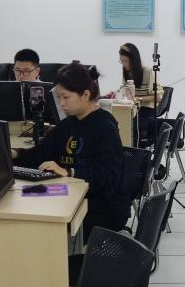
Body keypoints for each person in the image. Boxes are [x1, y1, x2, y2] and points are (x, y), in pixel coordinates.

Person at [13, 62, 126, 237]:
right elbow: (39, 155)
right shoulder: (67, 125)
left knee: (33, 223)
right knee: (22, 197)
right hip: (69, 195)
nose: (62, 103)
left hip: (97, 207)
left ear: (85, 95)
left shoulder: (105, 127)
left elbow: (107, 178)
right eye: (59, 97)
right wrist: (14, 153)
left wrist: (69, 172)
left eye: (66, 97)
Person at [116, 43, 165, 142]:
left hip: (146, 111)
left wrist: (139, 99)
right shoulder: (126, 72)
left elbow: (158, 97)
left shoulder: (148, 72)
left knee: (130, 127)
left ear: (134, 60)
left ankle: (132, 149)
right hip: (132, 109)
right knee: (117, 124)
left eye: (126, 61)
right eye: (121, 61)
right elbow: (125, 91)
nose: (124, 64)